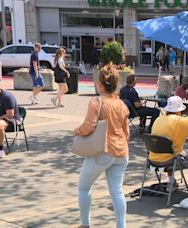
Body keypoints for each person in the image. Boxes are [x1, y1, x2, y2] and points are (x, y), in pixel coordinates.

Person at [74, 64, 130, 228]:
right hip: (122, 151)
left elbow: (88, 127)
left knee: (84, 187)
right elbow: (127, 132)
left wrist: (76, 131)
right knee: (117, 191)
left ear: (100, 84)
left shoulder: (97, 101)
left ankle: (85, 224)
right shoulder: (122, 104)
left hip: (103, 151)